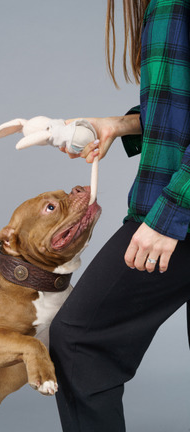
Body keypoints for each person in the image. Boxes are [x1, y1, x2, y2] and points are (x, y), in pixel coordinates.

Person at [49, 1, 190, 430]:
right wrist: (118, 124)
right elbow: (177, 105)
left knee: (80, 340)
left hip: (175, 209)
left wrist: (170, 214)